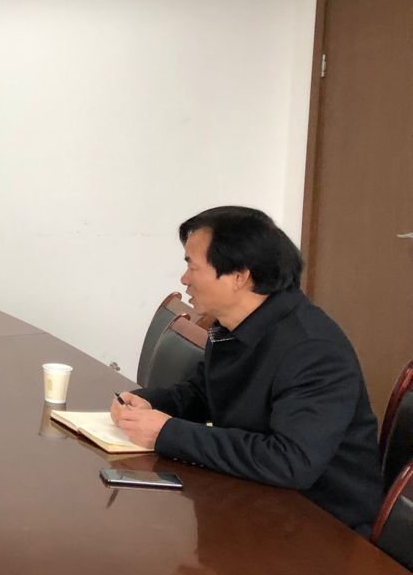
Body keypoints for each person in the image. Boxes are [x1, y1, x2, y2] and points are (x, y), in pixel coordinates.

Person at [111, 206, 381, 534]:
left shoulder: (312, 349)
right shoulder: (235, 325)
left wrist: (167, 433)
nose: (184, 279)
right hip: (256, 500)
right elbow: (203, 393)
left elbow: (292, 462)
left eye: (192, 267)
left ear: (240, 275)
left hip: (320, 527)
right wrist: (148, 402)